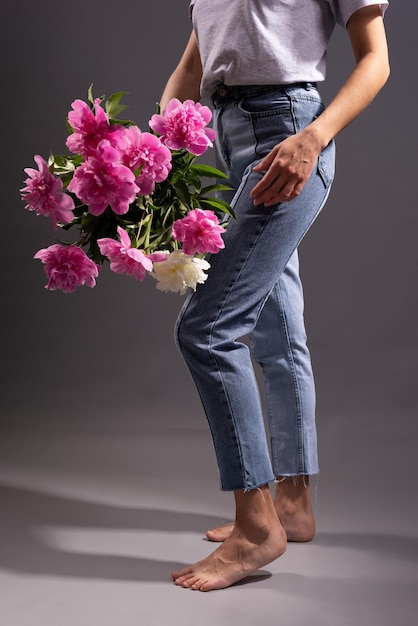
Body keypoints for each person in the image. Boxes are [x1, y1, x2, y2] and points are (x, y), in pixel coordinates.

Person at [159, 0, 390, 591]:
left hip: (287, 132)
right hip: (224, 133)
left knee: (207, 331)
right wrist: (161, 144)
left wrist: (313, 139)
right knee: (275, 327)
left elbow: (376, 61)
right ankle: (293, 505)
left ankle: (256, 529)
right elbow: (196, 60)